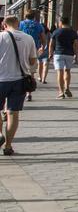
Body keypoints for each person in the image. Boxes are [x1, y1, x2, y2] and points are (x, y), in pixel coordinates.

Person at [0, 16, 38, 155]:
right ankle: (8, 146)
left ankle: (0, 135)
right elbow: (32, 60)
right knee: (13, 113)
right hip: (20, 80)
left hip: (1, 79)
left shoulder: (1, 37)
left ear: (4, 25)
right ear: (18, 24)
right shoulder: (28, 38)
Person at [18, 10, 48, 98]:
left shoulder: (21, 24)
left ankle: (20, 90)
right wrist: (43, 47)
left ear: (25, 16)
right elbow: (43, 39)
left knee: (20, 69)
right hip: (33, 48)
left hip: (21, 48)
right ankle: (29, 92)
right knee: (31, 71)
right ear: (34, 17)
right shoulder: (38, 25)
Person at [49, 18, 78, 99]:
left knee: (60, 72)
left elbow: (51, 44)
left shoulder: (56, 32)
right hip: (69, 54)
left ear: (61, 22)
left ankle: (61, 92)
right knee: (67, 71)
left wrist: (50, 53)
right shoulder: (73, 32)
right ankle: (67, 88)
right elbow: (76, 44)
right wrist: (76, 55)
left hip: (58, 54)